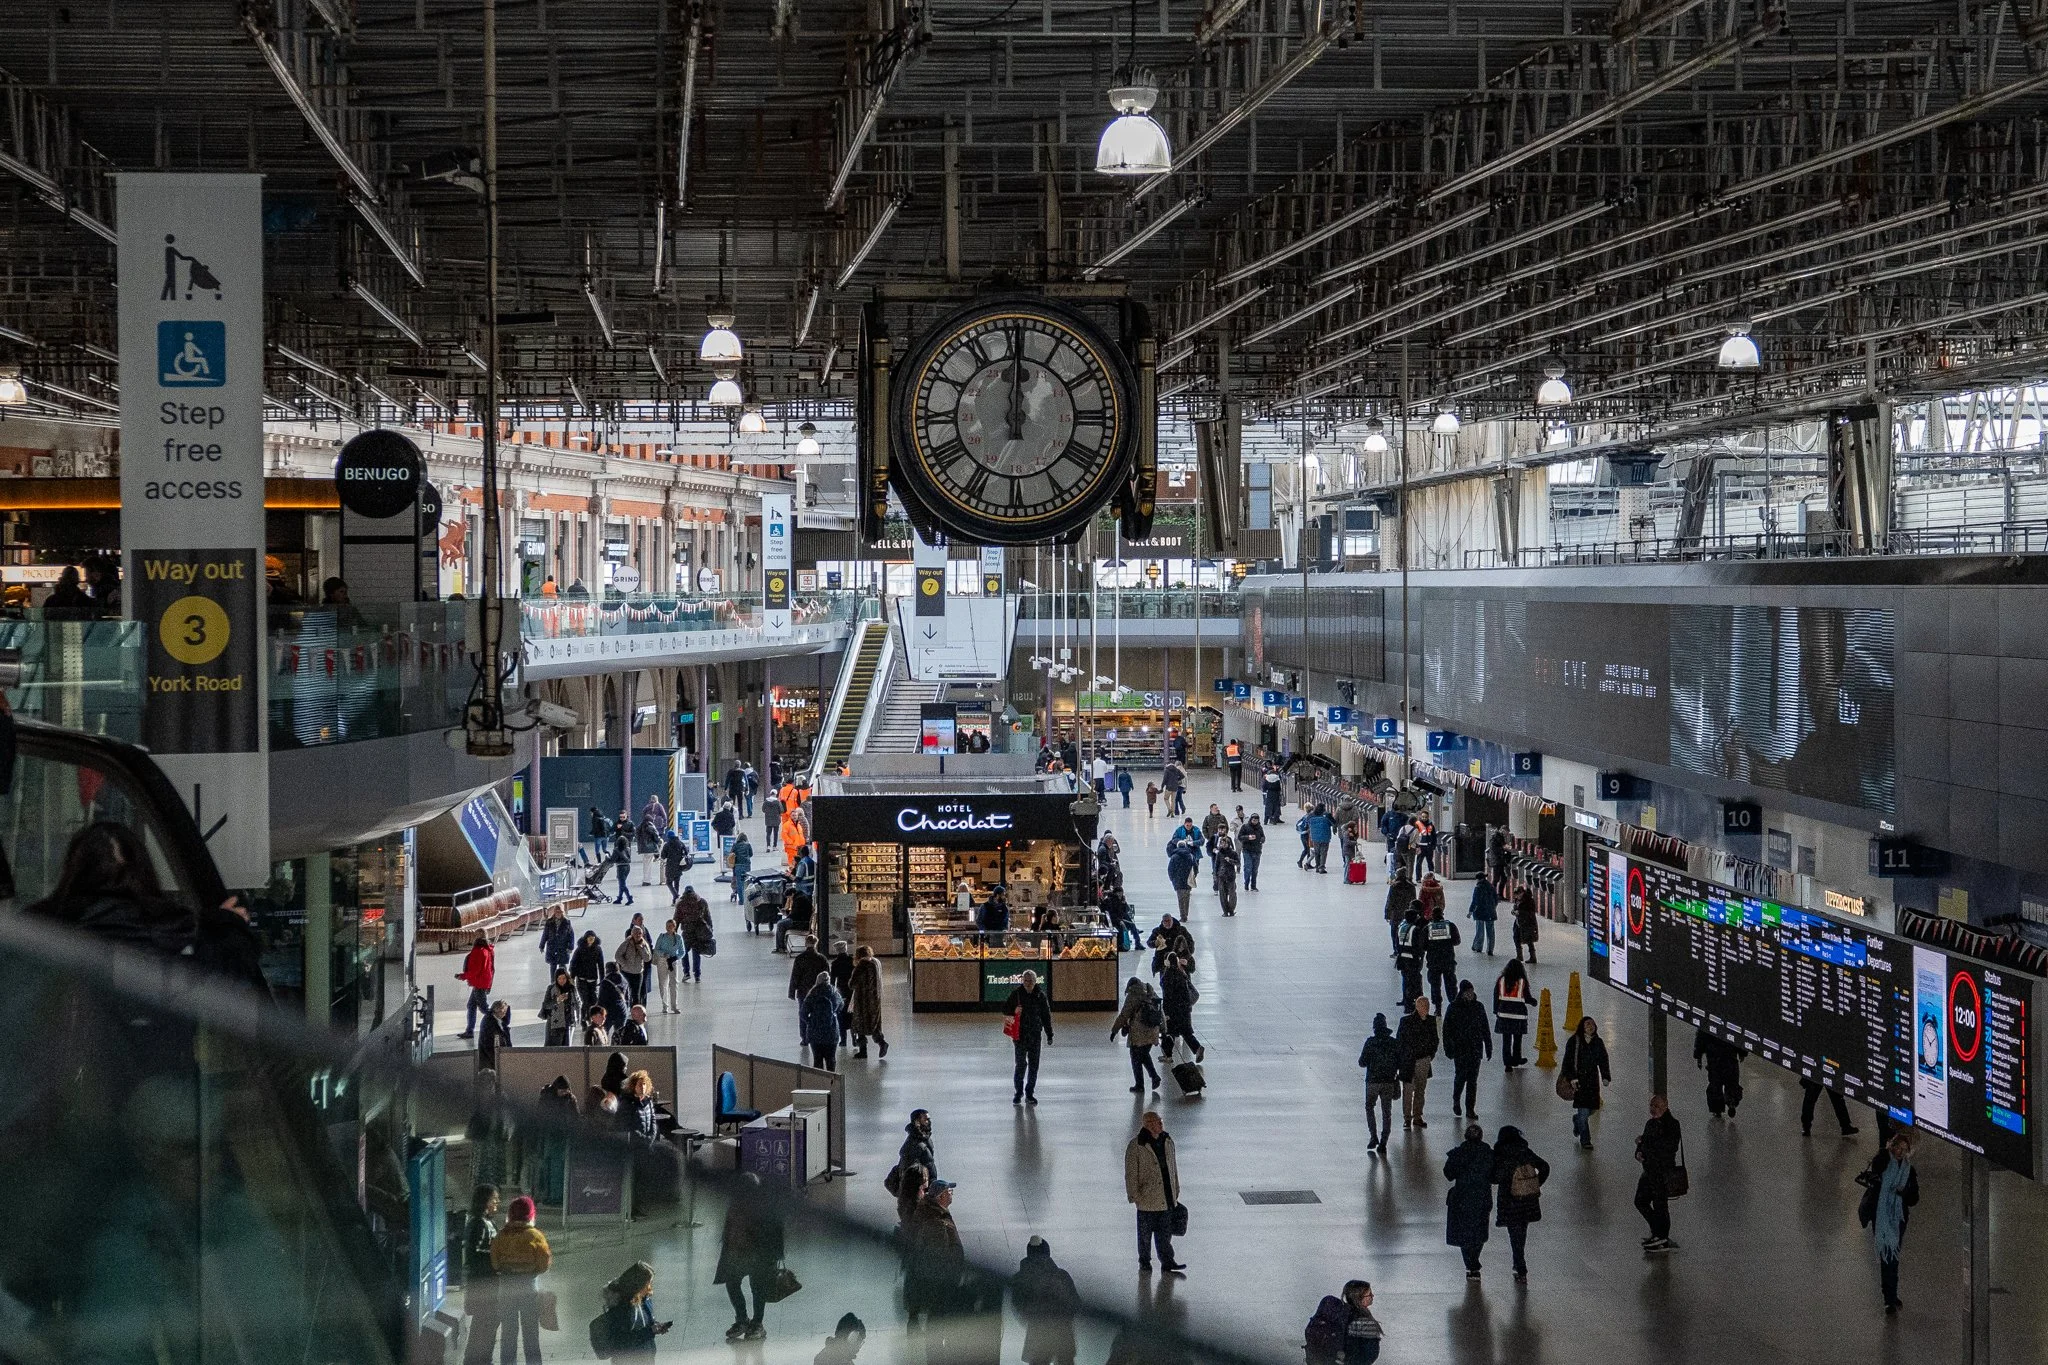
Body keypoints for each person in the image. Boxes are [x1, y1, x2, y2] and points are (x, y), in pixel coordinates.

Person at [714, 1172, 785, 1340]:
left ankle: (756, 1322)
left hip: (759, 1254)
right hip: (740, 1252)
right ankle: (744, 1319)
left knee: (756, 1286)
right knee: (735, 1283)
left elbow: (775, 1233)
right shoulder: (738, 1204)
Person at [1859, 1130, 1919, 1313]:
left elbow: (1914, 1199)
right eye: (1897, 1147)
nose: (1899, 1152)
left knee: (1893, 1257)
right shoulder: (1883, 1161)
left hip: (1898, 1218)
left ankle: (1891, 1295)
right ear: (1891, 1146)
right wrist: (1885, 1151)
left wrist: (1904, 1192)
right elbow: (1877, 1164)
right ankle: (1890, 1297)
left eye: (1903, 1149)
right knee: (1888, 1257)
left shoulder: (1909, 1171)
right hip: (1881, 1215)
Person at [491, 1195, 551, 1365]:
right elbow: (544, 1264)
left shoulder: (501, 1236)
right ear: (530, 1213)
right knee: (531, 1334)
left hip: (506, 1287)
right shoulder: (535, 1236)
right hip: (528, 1287)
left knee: (508, 1333)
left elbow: (495, 1264)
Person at [1124, 1112, 1185, 1274]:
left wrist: (1176, 1188)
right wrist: (1133, 1195)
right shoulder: (1136, 1146)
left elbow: (1173, 1167)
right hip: (1146, 1198)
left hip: (1166, 1196)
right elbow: (1131, 1173)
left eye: (1160, 1121)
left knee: (1165, 1234)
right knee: (1145, 1235)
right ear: (1148, 1124)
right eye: (1157, 1122)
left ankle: (1167, 1261)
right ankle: (1145, 1261)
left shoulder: (1167, 1141)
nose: (1160, 1124)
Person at [1488, 1125, 1550, 1283]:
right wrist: (1535, 1183)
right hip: (1527, 1199)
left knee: (1514, 1234)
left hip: (1509, 1200)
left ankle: (1520, 1266)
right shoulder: (1524, 1151)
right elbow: (1544, 1166)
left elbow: (1495, 1177)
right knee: (1521, 1231)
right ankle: (1518, 1263)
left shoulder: (1500, 1153)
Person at [903, 1178, 966, 1326]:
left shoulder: (931, 1212)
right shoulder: (936, 1222)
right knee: (937, 1314)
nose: (952, 1195)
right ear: (941, 1197)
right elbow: (938, 1253)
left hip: (928, 1274)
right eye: (949, 1192)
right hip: (939, 1278)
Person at [1012, 1236, 1080, 1365]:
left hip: (1038, 1337)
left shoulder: (1020, 1279)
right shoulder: (1061, 1276)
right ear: (1047, 1253)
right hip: (1063, 1335)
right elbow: (1076, 1303)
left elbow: (1019, 1306)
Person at [1443, 1123, 1495, 1279]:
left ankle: (1471, 1264)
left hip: (1462, 1197)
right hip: (1482, 1197)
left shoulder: (1458, 1153)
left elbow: (1448, 1174)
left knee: (1464, 1232)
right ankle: (1474, 1261)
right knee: (1479, 1232)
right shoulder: (1488, 1154)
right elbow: (1494, 1175)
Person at [1633, 1094, 1684, 1252]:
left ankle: (1661, 1236)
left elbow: (1667, 1147)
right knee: (1641, 1201)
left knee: (1660, 1204)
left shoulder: (1672, 1125)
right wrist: (1639, 1152)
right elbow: (1645, 1144)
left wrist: (1645, 1146)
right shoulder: (1651, 1123)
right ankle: (1658, 1233)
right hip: (1649, 1171)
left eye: (1657, 1106)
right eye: (1652, 1106)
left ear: (1665, 1107)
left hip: (1662, 1172)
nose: (1653, 1109)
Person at [595, 1261, 671, 1359]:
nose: (650, 1288)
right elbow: (622, 1342)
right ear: (638, 1285)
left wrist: (656, 1327)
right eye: (647, 1284)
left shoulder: (645, 1300)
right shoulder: (621, 1308)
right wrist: (650, 1331)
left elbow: (645, 1323)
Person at [461, 1184, 502, 1365]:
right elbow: (472, 1253)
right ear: (485, 1201)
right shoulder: (477, 1223)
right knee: (483, 1324)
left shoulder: (489, 1222)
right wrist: (495, 1256)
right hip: (482, 1284)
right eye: (494, 1199)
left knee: (490, 1323)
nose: (497, 1203)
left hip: (491, 1283)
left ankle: (484, 1359)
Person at [1443, 980, 1493, 1118]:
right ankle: (1456, 1100)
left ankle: (1470, 1109)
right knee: (1460, 1077)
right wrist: (1448, 1048)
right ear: (1462, 992)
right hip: (1460, 1049)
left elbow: (1485, 1028)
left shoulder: (1479, 1007)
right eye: (1467, 992)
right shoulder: (1453, 1008)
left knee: (1472, 1081)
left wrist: (1488, 1047)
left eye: (1471, 991)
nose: (1470, 994)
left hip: (1476, 1049)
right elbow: (1447, 1030)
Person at [1561, 1015, 1611, 1148]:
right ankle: (1585, 1140)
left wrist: (1606, 1076)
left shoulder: (1598, 1042)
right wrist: (1572, 1077)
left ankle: (1577, 1120)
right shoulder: (1574, 1041)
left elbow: (1603, 1060)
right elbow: (1567, 1062)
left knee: (1592, 1109)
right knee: (1583, 1113)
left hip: (1593, 1083)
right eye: (1587, 1024)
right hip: (1579, 1082)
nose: (1590, 1026)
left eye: (1592, 1024)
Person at [1005, 970, 1054, 1103]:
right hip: (1020, 1036)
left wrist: (1049, 1033)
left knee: (1033, 1065)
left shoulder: (1040, 996)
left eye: (1030, 981)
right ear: (1022, 981)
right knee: (1020, 1064)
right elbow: (1006, 1009)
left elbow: (1046, 1016)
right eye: (1026, 981)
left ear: (1035, 981)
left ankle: (1029, 1093)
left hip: (1035, 1035)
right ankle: (1018, 1092)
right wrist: (1013, 1010)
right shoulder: (1016, 995)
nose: (1028, 983)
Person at [1357, 1013, 1402, 1153]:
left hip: (1372, 1081)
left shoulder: (1370, 1042)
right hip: (1389, 1081)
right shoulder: (1393, 1043)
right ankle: (1384, 1141)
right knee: (1386, 1112)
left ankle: (1373, 1136)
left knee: (1369, 1106)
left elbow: (1362, 1062)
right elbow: (1400, 1061)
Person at [1113, 976, 1165, 1092]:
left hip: (1139, 1032)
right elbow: (1160, 1010)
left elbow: (1124, 1015)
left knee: (1136, 1057)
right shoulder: (1150, 991)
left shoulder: (1133, 995)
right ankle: (1154, 1077)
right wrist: (1163, 1029)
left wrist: (1114, 1030)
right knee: (1144, 1055)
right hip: (1153, 1030)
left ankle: (1140, 1085)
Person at [1396, 997, 1439, 1130]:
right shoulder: (1406, 1021)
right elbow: (1400, 1042)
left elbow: (1435, 1040)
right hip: (1408, 1061)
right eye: (1423, 1006)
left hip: (1423, 1060)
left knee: (1420, 1089)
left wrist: (1429, 1055)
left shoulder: (1431, 1021)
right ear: (1417, 1007)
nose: (1426, 1008)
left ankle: (1417, 1116)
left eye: (1427, 1006)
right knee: (1408, 1091)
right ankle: (1407, 1118)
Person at [1160, 953, 1204, 1063]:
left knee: (1168, 1032)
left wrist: (1166, 1012)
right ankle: (1197, 1048)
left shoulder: (1168, 975)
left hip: (1173, 1010)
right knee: (1186, 1033)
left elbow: (1167, 996)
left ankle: (1168, 1055)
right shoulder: (1181, 974)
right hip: (1184, 1010)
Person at [1694, 1028, 1746, 1119]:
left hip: (1714, 1057)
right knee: (1731, 1082)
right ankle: (1731, 1100)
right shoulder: (1731, 1020)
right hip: (1730, 1055)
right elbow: (1739, 1035)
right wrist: (1742, 1052)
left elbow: (1701, 1038)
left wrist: (1698, 1056)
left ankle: (1716, 1109)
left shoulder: (1708, 1022)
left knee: (1715, 1084)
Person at [848, 944, 888, 1059]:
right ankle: (882, 1043)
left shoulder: (862, 965)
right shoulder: (876, 963)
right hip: (875, 998)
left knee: (859, 1025)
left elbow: (852, 984)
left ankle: (863, 1051)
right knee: (874, 1024)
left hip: (862, 1000)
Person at [1492, 960, 1531, 1070]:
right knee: (1517, 1039)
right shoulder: (1522, 981)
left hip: (1504, 1015)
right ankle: (1517, 1059)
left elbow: (1496, 996)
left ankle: (1507, 1063)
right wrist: (1533, 1001)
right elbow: (1526, 997)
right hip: (1518, 1016)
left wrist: (1496, 1010)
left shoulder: (1501, 980)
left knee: (1506, 1040)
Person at [1423, 902, 1462, 1011]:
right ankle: (1453, 1004)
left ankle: (1438, 1007)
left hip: (1433, 962)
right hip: (1448, 960)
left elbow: (1423, 946)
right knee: (1450, 984)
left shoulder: (1428, 928)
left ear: (1432, 915)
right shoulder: (1450, 926)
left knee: (1435, 985)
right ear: (1442, 914)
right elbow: (1457, 941)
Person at [802, 969, 844, 1071]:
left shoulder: (812, 994)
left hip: (815, 1033)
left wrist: (810, 1022)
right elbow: (841, 1006)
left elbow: (803, 1013)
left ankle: (819, 1083)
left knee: (817, 1061)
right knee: (831, 1060)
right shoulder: (835, 993)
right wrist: (834, 1015)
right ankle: (832, 1083)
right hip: (832, 1032)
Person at [788, 939, 829, 1040]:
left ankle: (805, 1037)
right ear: (816, 943)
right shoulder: (821, 958)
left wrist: (792, 992)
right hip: (818, 992)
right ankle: (818, 1034)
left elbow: (795, 976)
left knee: (803, 1013)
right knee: (819, 1013)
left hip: (803, 991)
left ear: (806, 943)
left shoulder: (800, 958)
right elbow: (827, 976)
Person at [457, 933, 496, 1039]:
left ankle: (499, 1023)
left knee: (484, 1008)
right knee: (471, 1005)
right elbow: (491, 968)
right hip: (482, 982)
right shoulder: (487, 949)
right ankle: (469, 1030)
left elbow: (475, 970)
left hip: (479, 983)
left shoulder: (479, 951)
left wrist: (463, 976)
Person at [676, 886, 713, 982]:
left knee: (683, 952)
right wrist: (710, 929)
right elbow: (707, 916)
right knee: (696, 952)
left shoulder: (681, 904)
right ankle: (697, 975)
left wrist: (673, 932)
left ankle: (686, 973)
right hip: (699, 931)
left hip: (687, 931)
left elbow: (676, 918)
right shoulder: (701, 902)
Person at [1394, 906, 1426, 1012]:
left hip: (1403, 959)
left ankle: (1407, 1004)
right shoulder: (1415, 929)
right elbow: (1419, 946)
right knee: (1415, 983)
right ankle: (1417, 1004)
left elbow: (1396, 943)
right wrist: (1420, 956)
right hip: (1413, 960)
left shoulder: (1401, 928)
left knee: (1406, 981)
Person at [617, 924, 654, 1007]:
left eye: (640, 933)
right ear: (632, 934)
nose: (638, 935)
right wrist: (624, 964)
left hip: (638, 973)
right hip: (626, 972)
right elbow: (618, 955)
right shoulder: (626, 943)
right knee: (625, 993)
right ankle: (625, 1012)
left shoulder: (644, 944)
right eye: (636, 933)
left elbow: (647, 958)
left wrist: (641, 948)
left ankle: (636, 1014)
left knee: (636, 995)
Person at [542, 968, 581, 1046]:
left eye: (564, 978)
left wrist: (578, 1016)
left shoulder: (572, 989)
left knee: (566, 1046)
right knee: (552, 1046)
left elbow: (578, 1003)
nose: (561, 981)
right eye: (559, 978)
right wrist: (557, 1000)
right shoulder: (551, 988)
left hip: (568, 1021)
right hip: (554, 1023)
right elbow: (546, 1005)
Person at [651, 919, 683, 1014]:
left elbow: (682, 951)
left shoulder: (678, 938)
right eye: (668, 926)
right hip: (662, 961)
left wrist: (676, 957)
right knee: (663, 984)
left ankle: (674, 1006)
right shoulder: (662, 936)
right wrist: (663, 954)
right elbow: (656, 949)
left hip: (673, 962)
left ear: (674, 927)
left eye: (671, 926)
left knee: (674, 984)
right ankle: (665, 1005)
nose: (669, 928)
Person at [1382, 869, 1416, 957]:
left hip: (1396, 913)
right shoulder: (1411, 886)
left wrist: (1387, 914)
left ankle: (1396, 950)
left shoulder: (1394, 886)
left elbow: (1390, 901)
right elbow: (1414, 900)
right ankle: (1407, 949)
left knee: (1395, 933)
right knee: (1408, 932)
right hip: (1408, 913)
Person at [569, 930, 605, 1010]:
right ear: (586, 939)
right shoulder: (580, 949)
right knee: (585, 1000)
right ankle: (584, 1019)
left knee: (593, 1000)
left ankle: (592, 1017)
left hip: (592, 977)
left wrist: (602, 979)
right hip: (582, 977)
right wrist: (572, 976)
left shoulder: (598, 949)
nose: (591, 940)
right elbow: (574, 963)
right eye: (590, 938)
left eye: (593, 938)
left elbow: (601, 965)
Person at [1166, 837, 1198, 918]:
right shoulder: (1190, 856)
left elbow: (1170, 869)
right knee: (1187, 898)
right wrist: (1194, 876)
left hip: (1178, 880)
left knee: (1180, 899)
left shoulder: (1174, 857)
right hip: (1188, 880)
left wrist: (1172, 879)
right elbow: (1195, 867)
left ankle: (1182, 915)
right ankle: (1186, 914)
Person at [477, 999, 513, 1071]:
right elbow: (488, 1044)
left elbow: (507, 1021)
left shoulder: (498, 1019)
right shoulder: (489, 1021)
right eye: (503, 1010)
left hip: (499, 1056)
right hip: (492, 1060)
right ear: (496, 1009)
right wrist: (497, 1061)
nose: (505, 1013)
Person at [1467, 876, 1499, 956]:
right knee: (1490, 931)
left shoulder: (1478, 888)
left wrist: (1470, 911)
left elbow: (1475, 901)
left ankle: (1478, 947)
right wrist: (1493, 907)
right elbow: (1496, 899)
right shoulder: (1491, 887)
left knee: (1479, 930)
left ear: (1478, 879)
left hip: (1480, 912)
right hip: (1490, 912)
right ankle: (1490, 949)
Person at [540, 906, 574, 977]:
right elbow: (545, 934)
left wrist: (570, 946)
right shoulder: (549, 922)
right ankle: (553, 984)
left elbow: (571, 935)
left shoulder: (567, 922)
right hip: (552, 948)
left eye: (560, 912)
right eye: (557, 912)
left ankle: (564, 984)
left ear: (562, 913)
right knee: (553, 967)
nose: (558, 914)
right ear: (554, 912)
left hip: (563, 948)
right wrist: (542, 945)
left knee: (562, 968)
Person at [660, 827, 691, 900]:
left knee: (668, 882)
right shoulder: (680, 843)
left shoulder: (667, 845)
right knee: (676, 883)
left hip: (670, 866)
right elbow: (686, 852)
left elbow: (663, 856)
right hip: (679, 866)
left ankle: (675, 895)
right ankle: (675, 900)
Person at [1511, 884, 1540, 963]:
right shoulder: (1517, 900)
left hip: (1528, 922)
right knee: (1516, 937)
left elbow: (1531, 912)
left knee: (1529, 939)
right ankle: (1519, 956)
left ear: (1522, 893)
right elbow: (1515, 907)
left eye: (1518, 894)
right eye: (1516, 895)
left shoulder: (1529, 900)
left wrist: (1520, 912)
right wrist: (1514, 912)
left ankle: (1533, 957)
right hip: (1518, 921)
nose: (1517, 897)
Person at [1212, 835, 1240, 915]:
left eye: (1224, 844)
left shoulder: (1233, 853)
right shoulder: (1219, 854)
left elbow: (1238, 863)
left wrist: (1230, 860)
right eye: (1221, 844)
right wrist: (1215, 875)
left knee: (1232, 894)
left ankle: (1231, 910)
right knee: (1222, 895)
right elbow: (1216, 865)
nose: (1223, 845)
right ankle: (1225, 911)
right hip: (1221, 876)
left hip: (1230, 876)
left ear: (1228, 844)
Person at [610, 823, 636, 905]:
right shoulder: (628, 848)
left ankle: (629, 898)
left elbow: (612, 859)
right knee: (622, 883)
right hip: (627, 867)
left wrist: (607, 858)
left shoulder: (616, 849)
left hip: (620, 867)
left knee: (622, 884)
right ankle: (620, 898)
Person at [1238, 815, 1264, 890]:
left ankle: (1253, 885)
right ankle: (1246, 884)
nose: (1255, 822)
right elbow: (1240, 837)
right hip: (1247, 850)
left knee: (1255, 869)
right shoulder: (1245, 827)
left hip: (1257, 851)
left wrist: (1262, 839)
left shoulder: (1259, 828)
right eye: (1253, 820)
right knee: (1248, 868)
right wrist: (1248, 837)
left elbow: (1263, 836)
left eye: (1256, 820)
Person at [1306, 804, 1334, 873]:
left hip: (1315, 837)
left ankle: (1317, 867)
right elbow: (1333, 823)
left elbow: (1308, 822)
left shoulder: (1311, 816)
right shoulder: (1327, 815)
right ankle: (1321, 867)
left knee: (1317, 852)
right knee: (1323, 852)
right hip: (1325, 836)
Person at [729, 830, 753, 904]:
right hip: (746, 865)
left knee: (739, 883)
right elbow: (751, 854)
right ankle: (747, 900)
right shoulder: (748, 845)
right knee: (747, 882)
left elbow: (731, 853)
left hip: (738, 866)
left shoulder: (735, 845)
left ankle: (741, 900)